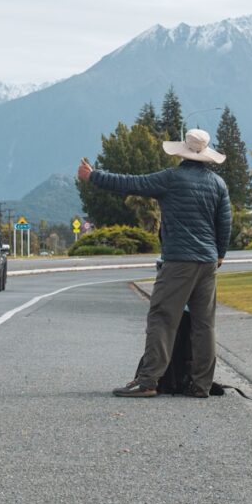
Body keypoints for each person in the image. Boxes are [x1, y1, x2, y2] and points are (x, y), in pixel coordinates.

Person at [77, 128, 231, 399]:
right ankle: (201, 384)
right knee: (204, 324)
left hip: (179, 261)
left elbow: (131, 183)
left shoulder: (171, 179)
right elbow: (224, 222)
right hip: (208, 262)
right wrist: (219, 254)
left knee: (162, 317)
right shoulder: (218, 184)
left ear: (183, 151)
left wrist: (94, 176)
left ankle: (148, 381)